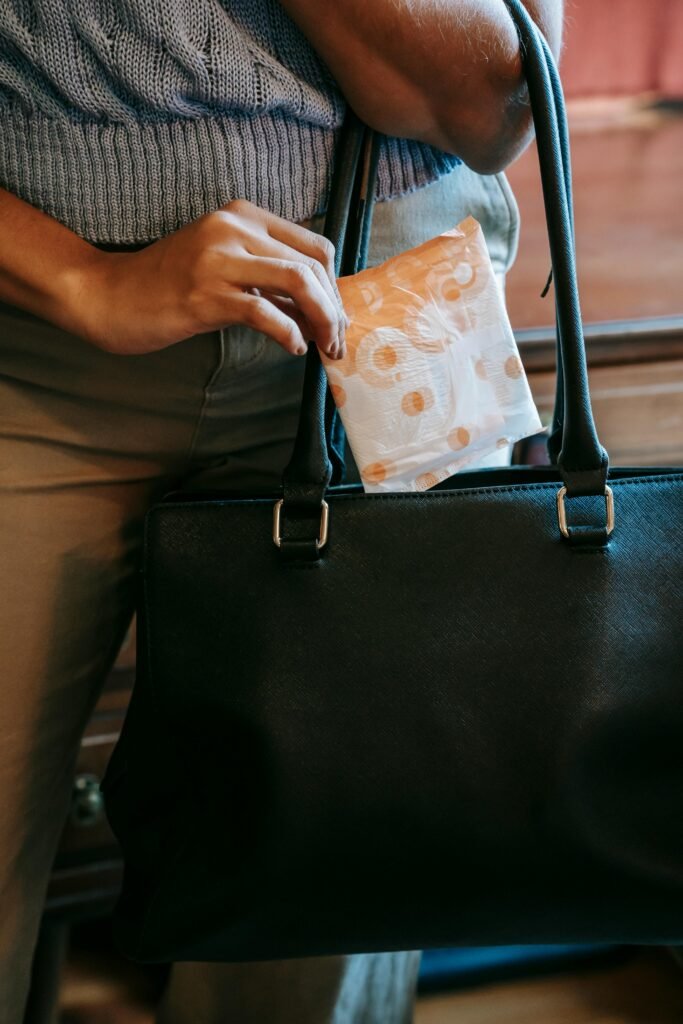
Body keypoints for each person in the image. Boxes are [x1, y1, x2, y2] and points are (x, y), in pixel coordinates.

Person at [0, 1, 562, 1020]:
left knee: (314, 936)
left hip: (390, 334)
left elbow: (494, 99)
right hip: (32, 333)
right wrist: (80, 279)